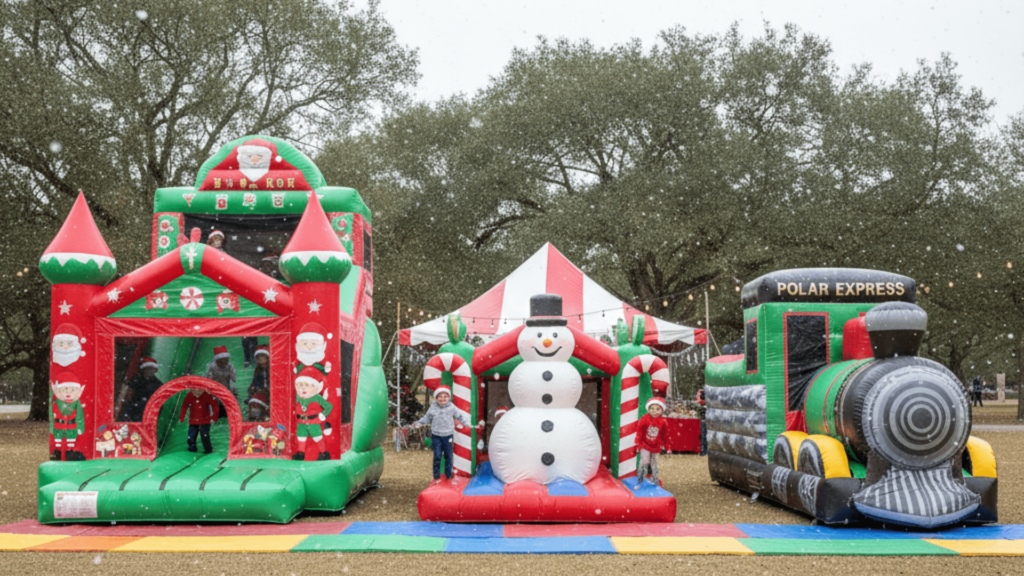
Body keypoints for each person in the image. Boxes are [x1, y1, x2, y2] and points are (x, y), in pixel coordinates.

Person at [412, 385, 469, 484]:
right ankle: (436, 476)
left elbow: (460, 416)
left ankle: (448, 476)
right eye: (440, 397)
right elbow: (427, 418)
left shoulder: (451, 407)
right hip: (436, 436)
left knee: (448, 456)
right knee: (437, 456)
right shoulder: (433, 407)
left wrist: (469, 424)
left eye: (445, 397)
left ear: (449, 398)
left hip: (448, 436)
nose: (442, 399)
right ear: (436, 398)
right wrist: (419, 423)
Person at [116, 357, 163, 422]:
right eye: (148, 369)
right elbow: (126, 394)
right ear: (144, 369)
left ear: (155, 370)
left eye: (152, 369)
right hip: (130, 411)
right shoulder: (136, 379)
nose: (151, 371)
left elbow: (159, 402)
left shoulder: (158, 384)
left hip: (144, 413)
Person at [635, 397, 667, 487]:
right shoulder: (645, 418)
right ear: (648, 409)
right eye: (652, 408)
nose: (654, 411)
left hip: (656, 445)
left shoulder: (663, 421)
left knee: (654, 462)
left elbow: (665, 434)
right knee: (644, 460)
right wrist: (638, 443)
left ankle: (655, 477)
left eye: (658, 409)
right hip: (645, 444)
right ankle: (640, 476)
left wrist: (666, 446)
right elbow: (639, 431)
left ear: (662, 410)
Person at [180, 388, 218, 454]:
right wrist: (182, 417)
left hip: (205, 420)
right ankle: (192, 448)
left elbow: (215, 406)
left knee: (204, 436)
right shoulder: (190, 395)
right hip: (193, 420)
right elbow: (184, 406)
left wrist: (214, 417)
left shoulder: (207, 395)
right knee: (191, 436)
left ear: (203, 389)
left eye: (199, 391)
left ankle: (208, 449)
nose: (196, 393)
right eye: (194, 391)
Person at [247, 345, 271, 421]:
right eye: (257, 357)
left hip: (270, 393)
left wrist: (267, 389)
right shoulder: (258, 370)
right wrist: (252, 388)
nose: (259, 358)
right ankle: (255, 417)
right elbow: (255, 381)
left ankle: (265, 416)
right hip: (261, 392)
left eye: (262, 356)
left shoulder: (271, 369)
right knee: (255, 401)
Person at [696, 387, 707, 456]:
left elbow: (698, 413)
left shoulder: (700, 405)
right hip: (706, 421)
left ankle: (703, 450)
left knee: (703, 436)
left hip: (702, 421)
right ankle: (704, 450)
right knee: (704, 436)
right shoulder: (706, 405)